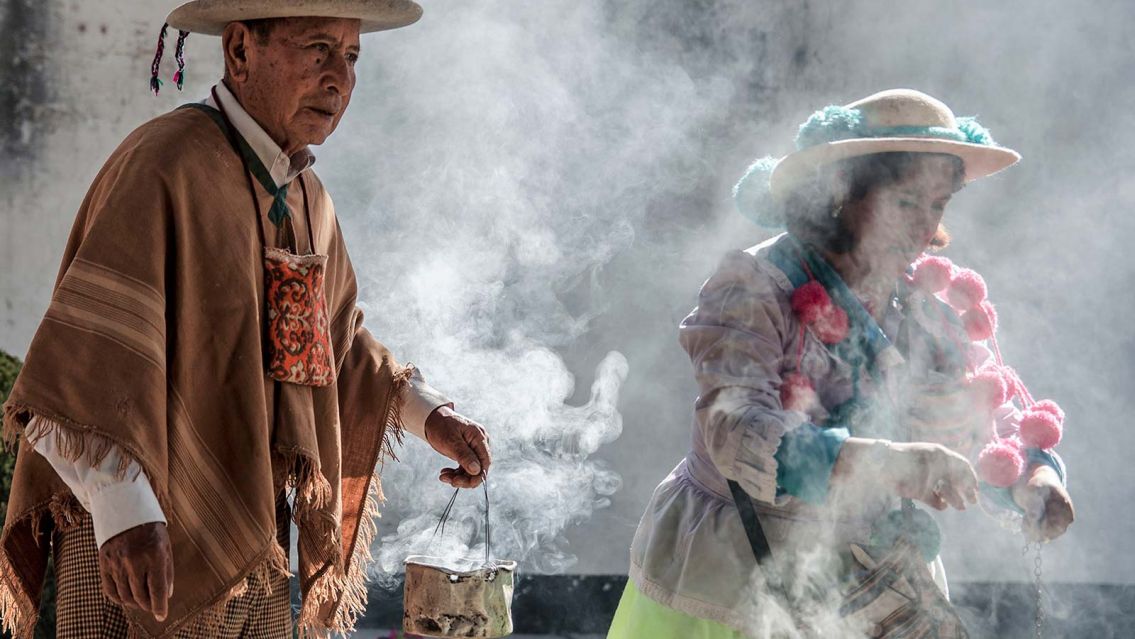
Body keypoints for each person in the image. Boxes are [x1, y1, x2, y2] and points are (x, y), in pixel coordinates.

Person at [0, 2, 494, 637]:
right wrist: (124, 511)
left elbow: (333, 349)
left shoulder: (308, 197)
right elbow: (79, 368)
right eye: (317, 49)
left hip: (257, 544)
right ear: (239, 51)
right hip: (139, 550)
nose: (339, 78)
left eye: (351, 56)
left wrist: (432, 417)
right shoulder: (164, 163)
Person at [607, 89, 1075, 638]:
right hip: (732, 583)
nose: (923, 228)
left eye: (938, 205)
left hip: (875, 586)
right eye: (905, 203)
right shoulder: (755, 285)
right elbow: (736, 431)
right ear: (840, 191)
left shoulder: (922, 298)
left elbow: (983, 421)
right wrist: (884, 463)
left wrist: (1036, 480)